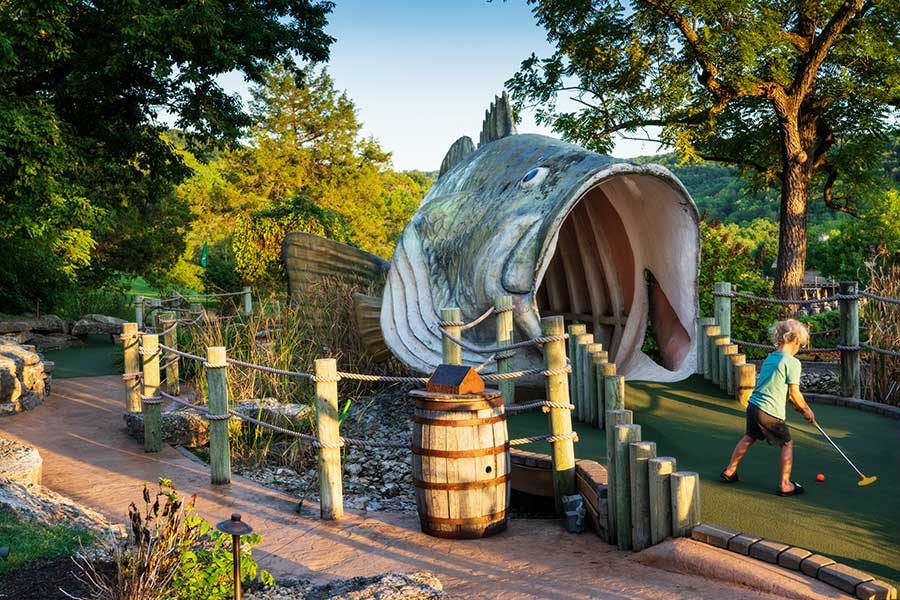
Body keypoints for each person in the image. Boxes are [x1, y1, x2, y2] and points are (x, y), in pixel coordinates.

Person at [720, 319, 816, 496]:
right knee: (787, 444)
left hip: (754, 406)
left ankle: (729, 471)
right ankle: (786, 484)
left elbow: (775, 387)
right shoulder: (793, 363)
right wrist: (806, 410)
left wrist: (796, 405)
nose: (799, 348)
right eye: (800, 344)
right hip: (770, 412)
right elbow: (795, 393)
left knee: (749, 437)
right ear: (795, 341)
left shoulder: (770, 358)